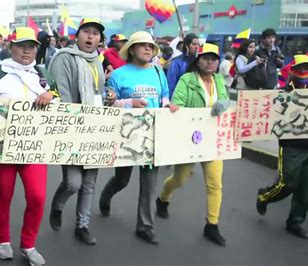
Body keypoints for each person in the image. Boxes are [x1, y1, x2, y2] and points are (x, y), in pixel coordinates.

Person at [0, 27, 59, 266]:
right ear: (11, 47)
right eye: (21, 45)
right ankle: (3, 241)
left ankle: (28, 244)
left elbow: (60, 102)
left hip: (34, 147)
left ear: (37, 49)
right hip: (1, 148)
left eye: (32, 46)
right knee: (4, 194)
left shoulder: (43, 73)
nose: (27, 50)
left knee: (38, 197)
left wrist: (51, 96)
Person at [98, 31, 178, 244]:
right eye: (142, 45)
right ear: (131, 49)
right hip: (127, 136)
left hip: (153, 135)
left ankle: (145, 226)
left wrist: (167, 104)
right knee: (122, 179)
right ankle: (106, 197)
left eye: (150, 46)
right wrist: (128, 103)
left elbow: (164, 96)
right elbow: (108, 104)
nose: (147, 49)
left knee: (149, 185)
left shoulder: (159, 72)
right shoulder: (117, 75)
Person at [156, 43, 230, 246]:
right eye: (205, 58)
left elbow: (224, 99)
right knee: (179, 179)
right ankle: (163, 197)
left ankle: (212, 225)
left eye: (213, 58)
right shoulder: (187, 80)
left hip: (213, 140)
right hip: (189, 139)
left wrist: (224, 103)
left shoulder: (219, 80)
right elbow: (177, 102)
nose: (209, 62)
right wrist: (175, 107)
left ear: (217, 62)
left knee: (215, 183)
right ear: (198, 60)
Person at [48, 18, 115, 245]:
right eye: (86, 32)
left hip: (94, 127)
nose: (90, 37)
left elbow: (97, 93)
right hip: (71, 127)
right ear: (77, 35)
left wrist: (108, 97)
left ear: (100, 39)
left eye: (95, 34)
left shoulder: (97, 60)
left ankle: (82, 225)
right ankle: (57, 206)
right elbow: (62, 92)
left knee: (89, 183)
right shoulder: (64, 58)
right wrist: (75, 123)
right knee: (73, 183)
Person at [256, 54, 308, 239]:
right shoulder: (283, 93)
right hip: (292, 146)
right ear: (293, 71)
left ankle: (295, 221)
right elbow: (274, 121)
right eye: (301, 68)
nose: (304, 71)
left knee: (307, 187)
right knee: (287, 184)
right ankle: (264, 196)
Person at [167, 33, 199, 99]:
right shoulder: (176, 62)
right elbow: (170, 84)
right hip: (180, 98)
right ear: (187, 45)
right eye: (194, 44)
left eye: (198, 44)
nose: (196, 47)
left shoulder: (199, 61)